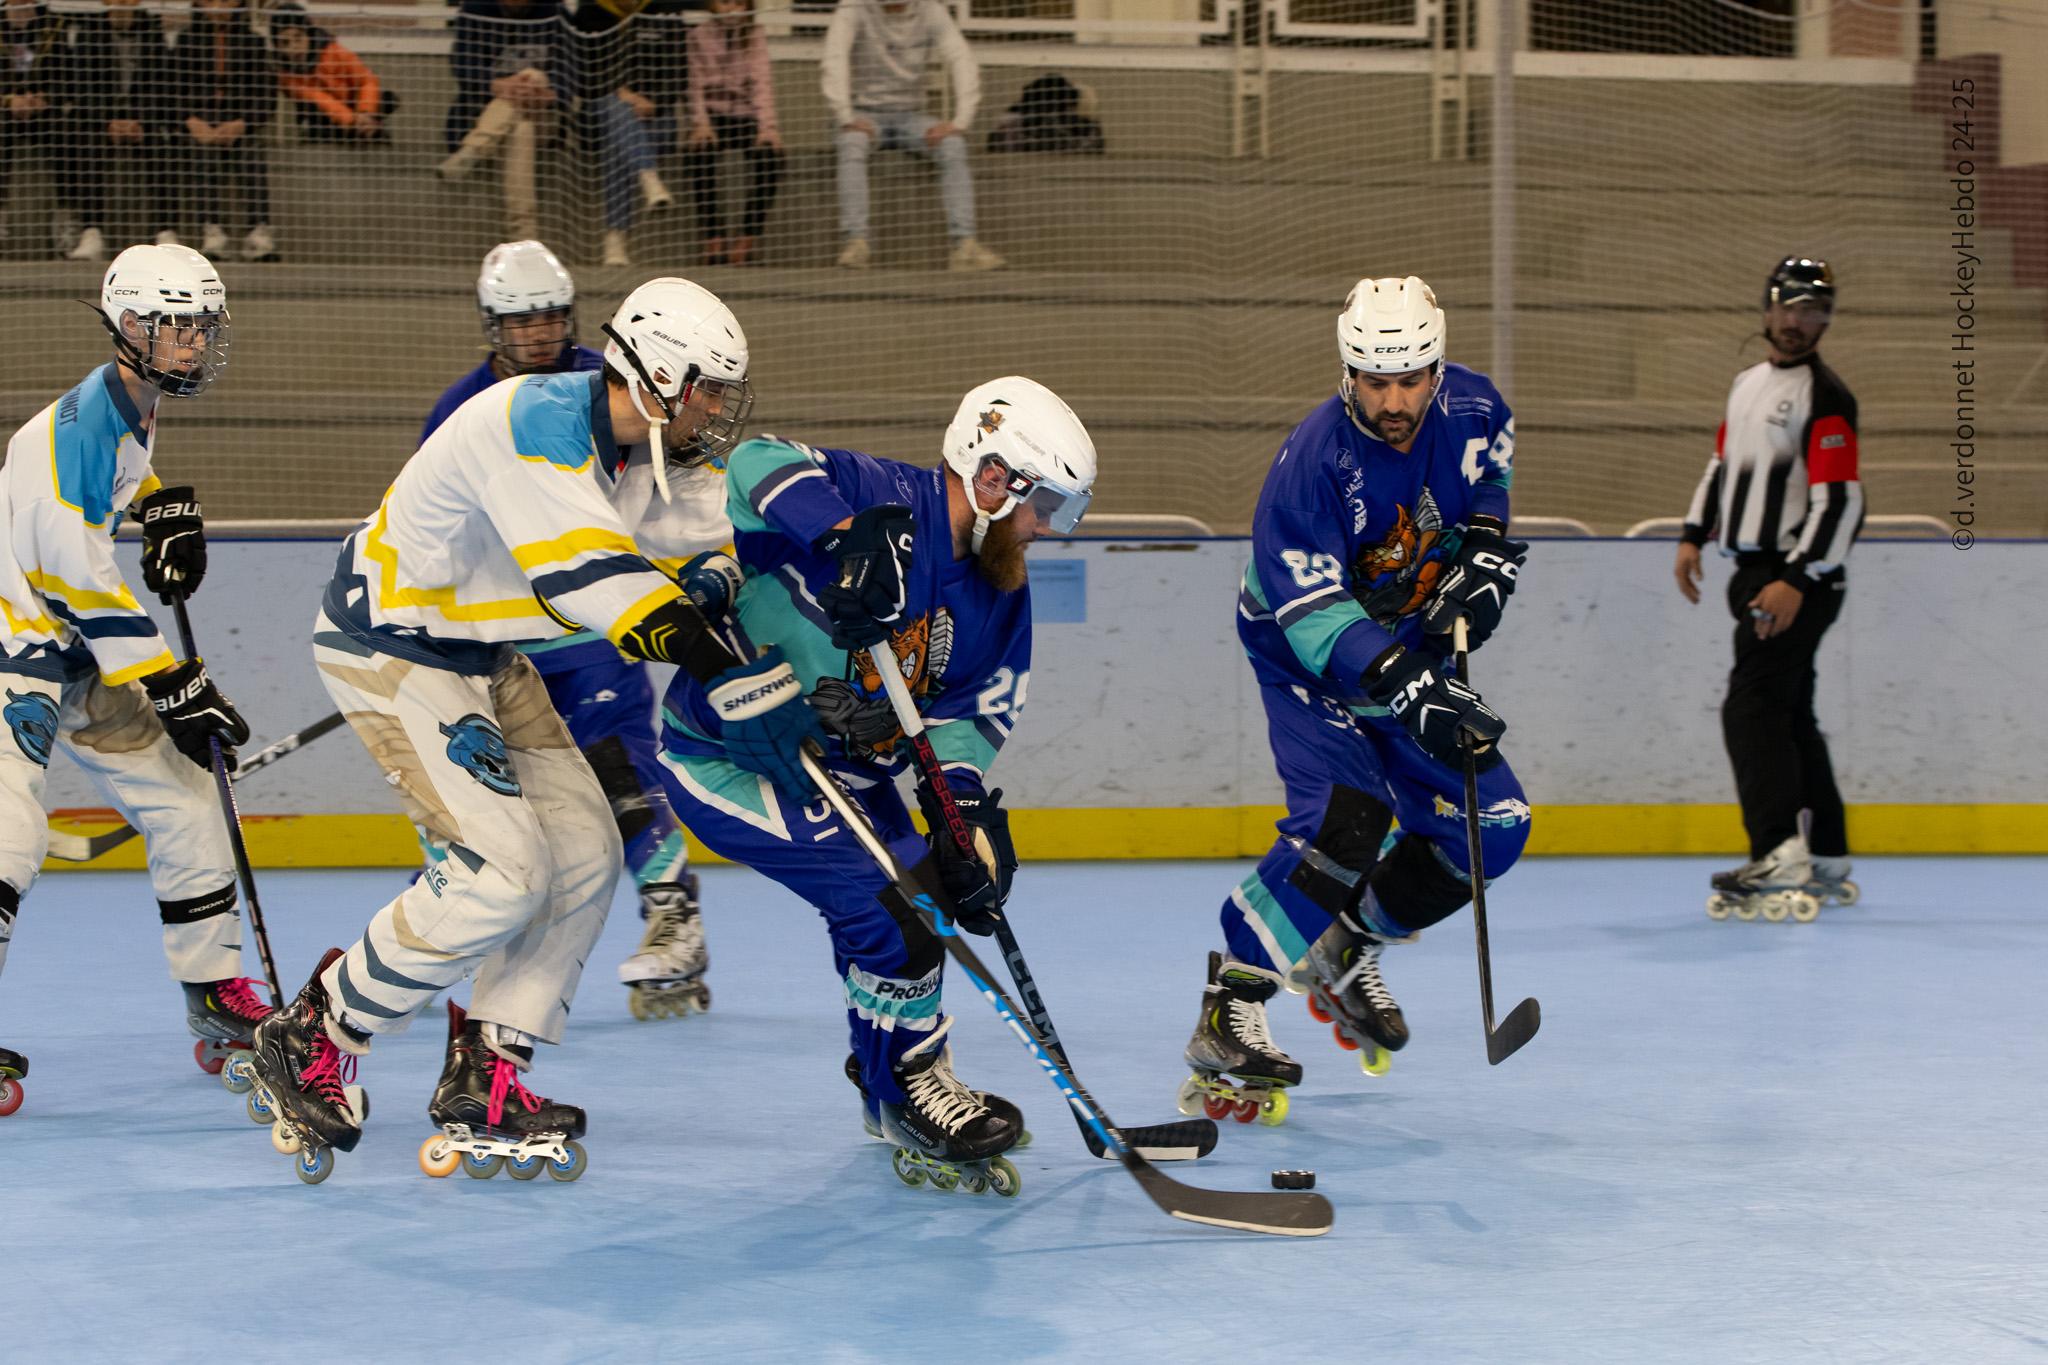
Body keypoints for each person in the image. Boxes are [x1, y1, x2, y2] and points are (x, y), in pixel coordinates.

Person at [247, 278, 807, 1182]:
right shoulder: (532, 420)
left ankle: (490, 1071)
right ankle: (314, 1029)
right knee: (499, 877)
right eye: (707, 387)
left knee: (586, 849)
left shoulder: (646, 451)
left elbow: (720, 530)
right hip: (390, 647)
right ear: (660, 379)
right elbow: (596, 579)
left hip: (487, 657)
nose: (715, 407)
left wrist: (817, 541)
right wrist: (714, 646)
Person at [652, 377, 1096, 1194]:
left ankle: (885, 1077)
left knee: (922, 893)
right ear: (995, 480)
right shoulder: (882, 496)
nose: (1048, 530)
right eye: (1048, 507)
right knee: (896, 911)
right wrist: (844, 538)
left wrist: (958, 808)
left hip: (844, 763)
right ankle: (909, 1085)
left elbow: (973, 708)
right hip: (731, 755)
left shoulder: (1002, 585)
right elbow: (754, 460)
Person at [1177, 276, 1530, 1126]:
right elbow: (1314, 612)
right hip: (1305, 655)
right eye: (1375, 381)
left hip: (1402, 640)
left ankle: (1345, 946)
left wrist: (1482, 558)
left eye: (1410, 379)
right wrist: (1412, 687)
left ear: (1436, 368)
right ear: (1349, 371)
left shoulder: (1478, 409)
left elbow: (1487, 488)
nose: (1394, 399)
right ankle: (1232, 1003)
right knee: (1347, 817)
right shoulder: (1314, 464)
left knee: (1493, 823)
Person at [422, 240, 723, 1021]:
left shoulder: (616, 384)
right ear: (494, 324)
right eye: (521, 322)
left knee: (618, 765)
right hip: (498, 635)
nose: (538, 335)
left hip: (591, 620)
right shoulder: (459, 407)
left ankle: (673, 914)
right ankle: (451, 924)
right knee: (470, 784)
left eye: (551, 316)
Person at [0, 244, 262, 1116]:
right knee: (9, 836)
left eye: (200, 327)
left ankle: (215, 992)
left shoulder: (129, 403)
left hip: (75, 651)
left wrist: (157, 505)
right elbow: (72, 572)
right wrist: (172, 680)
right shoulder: (73, 426)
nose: (192, 343)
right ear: (129, 327)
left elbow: (115, 483)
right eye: (175, 327)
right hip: (16, 654)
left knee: (190, 800)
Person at [1677, 256, 1863, 923]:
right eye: (1791, 306)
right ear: (1767, 310)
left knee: (1749, 709)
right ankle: (1828, 850)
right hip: (1759, 573)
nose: (1800, 321)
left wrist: (1795, 578)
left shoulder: (1828, 397)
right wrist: (1693, 533)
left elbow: (1841, 504)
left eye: (1815, 310)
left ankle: (1779, 850)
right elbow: (1722, 465)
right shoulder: (1746, 385)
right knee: (1788, 711)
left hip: (1796, 579)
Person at [821, 0, 1001, 272]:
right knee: (851, 144)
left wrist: (960, 122)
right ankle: (856, 243)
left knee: (952, 145)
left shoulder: (931, 10)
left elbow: (961, 57)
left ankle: (965, 246)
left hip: (912, 116)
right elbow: (834, 58)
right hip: (863, 116)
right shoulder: (853, 8)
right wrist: (845, 116)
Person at [439, 0, 568, 241]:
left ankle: (475, 147)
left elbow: (573, 66)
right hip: (493, 112)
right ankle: (524, 237)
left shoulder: (554, 12)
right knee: (521, 128)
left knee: (533, 76)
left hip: (545, 115)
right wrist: (495, 85)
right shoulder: (476, 9)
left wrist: (551, 94)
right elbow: (464, 63)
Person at [65, 0, 180, 258]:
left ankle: (166, 230)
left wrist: (141, 120)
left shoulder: (152, 31)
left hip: (142, 118)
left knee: (165, 145)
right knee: (86, 144)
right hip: (102, 118)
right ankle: (91, 230)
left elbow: (161, 83)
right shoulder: (90, 30)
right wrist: (108, 120)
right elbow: (82, 85)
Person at [566, 0, 676, 268]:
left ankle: (615, 238)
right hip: (597, 111)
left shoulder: (663, 11)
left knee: (619, 142)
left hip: (653, 115)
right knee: (616, 113)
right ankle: (648, 178)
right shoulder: (589, 13)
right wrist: (619, 92)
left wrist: (653, 102)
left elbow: (677, 72)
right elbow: (580, 73)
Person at [166, 0, 277, 262]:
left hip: (238, 123)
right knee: (203, 157)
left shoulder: (253, 42)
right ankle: (212, 229)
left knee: (252, 156)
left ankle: (259, 231)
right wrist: (189, 121)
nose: (219, 6)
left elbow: (266, 94)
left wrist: (242, 123)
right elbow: (170, 87)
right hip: (198, 123)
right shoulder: (186, 40)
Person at [684, 0, 782, 267]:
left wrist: (767, 128)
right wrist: (700, 123)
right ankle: (713, 238)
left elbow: (763, 83)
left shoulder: (755, 35)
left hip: (744, 115)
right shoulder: (698, 35)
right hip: (713, 116)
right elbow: (694, 86)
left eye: (739, 2)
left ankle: (747, 238)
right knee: (699, 155)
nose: (732, 9)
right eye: (725, 2)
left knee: (771, 157)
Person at [0, 0, 91, 259]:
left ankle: (67, 224)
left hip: (45, 111)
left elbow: (70, 76)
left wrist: (46, 98)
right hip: (6, 110)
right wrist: (9, 100)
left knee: (72, 136)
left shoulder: (55, 25)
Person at [268, 3, 398, 144]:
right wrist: (353, 120)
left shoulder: (333, 51)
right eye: (285, 43)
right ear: (277, 47)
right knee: (312, 109)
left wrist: (365, 112)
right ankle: (361, 130)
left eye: (298, 37)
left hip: (354, 104)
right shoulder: (285, 75)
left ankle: (364, 127)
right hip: (324, 114)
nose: (294, 47)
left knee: (387, 98)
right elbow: (321, 100)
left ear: (309, 35)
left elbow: (366, 80)